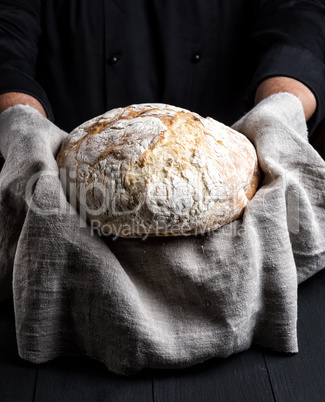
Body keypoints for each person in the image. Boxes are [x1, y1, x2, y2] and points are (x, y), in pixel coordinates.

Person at [0, 0, 324, 139]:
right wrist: (20, 123)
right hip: (66, 185)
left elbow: (297, 12)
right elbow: (7, 23)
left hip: (232, 173)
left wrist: (281, 108)